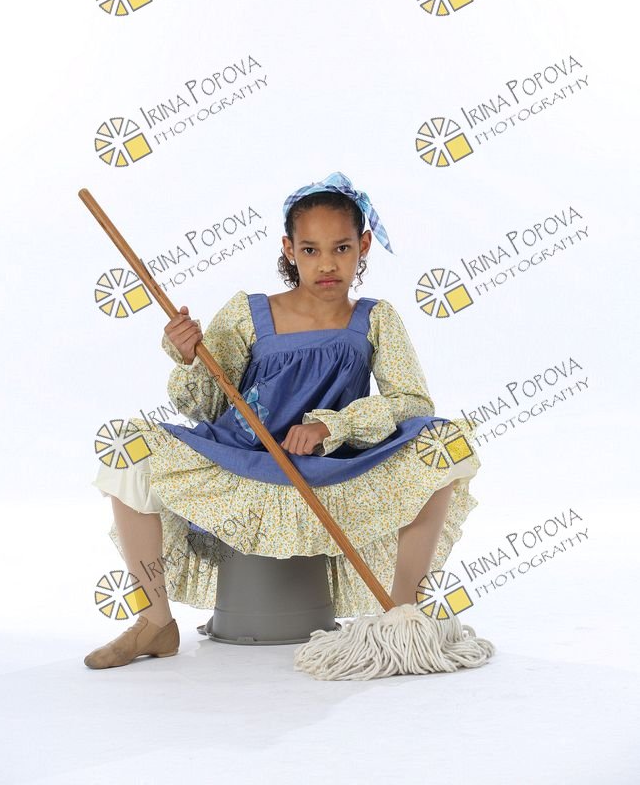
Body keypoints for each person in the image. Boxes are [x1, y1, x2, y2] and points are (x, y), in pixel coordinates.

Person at [84, 171, 482, 669]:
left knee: (444, 443)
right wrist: (189, 357)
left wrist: (332, 427)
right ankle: (155, 622)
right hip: (243, 457)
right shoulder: (248, 313)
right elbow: (205, 405)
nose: (327, 264)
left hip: (333, 466)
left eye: (341, 248)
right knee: (129, 450)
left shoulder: (376, 318)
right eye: (310, 250)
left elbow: (412, 402)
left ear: (363, 246)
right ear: (289, 250)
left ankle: (401, 616)